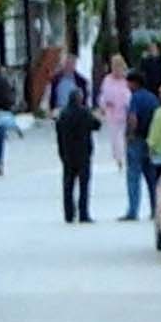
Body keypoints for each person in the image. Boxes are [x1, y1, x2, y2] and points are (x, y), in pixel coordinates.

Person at [54, 88, 99, 224]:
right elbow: (97, 125)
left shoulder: (63, 114)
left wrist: (61, 152)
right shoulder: (85, 112)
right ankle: (83, 213)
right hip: (84, 152)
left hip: (68, 153)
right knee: (84, 185)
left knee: (68, 184)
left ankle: (69, 214)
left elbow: (59, 134)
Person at [119, 72, 160, 221]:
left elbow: (132, 117)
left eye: (128, 83)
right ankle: (155, 209)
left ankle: (133, 211)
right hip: (151, 141)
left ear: (134, 83)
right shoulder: (153, 98)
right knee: (152, 178)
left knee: (133, 177)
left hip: (137, 140)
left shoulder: (135, 97)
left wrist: (129, 134)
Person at [96, 54, 132, 172]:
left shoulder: (127, 80)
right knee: (115, 139)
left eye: (118, 66)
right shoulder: (107, 80)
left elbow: (131, 96)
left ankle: (127, 159)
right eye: (114, 66)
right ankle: (118, 159)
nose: (116, 69)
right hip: (112, 114)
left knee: (125, 138)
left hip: (125, 113)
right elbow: (103, 95)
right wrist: (103, 105)